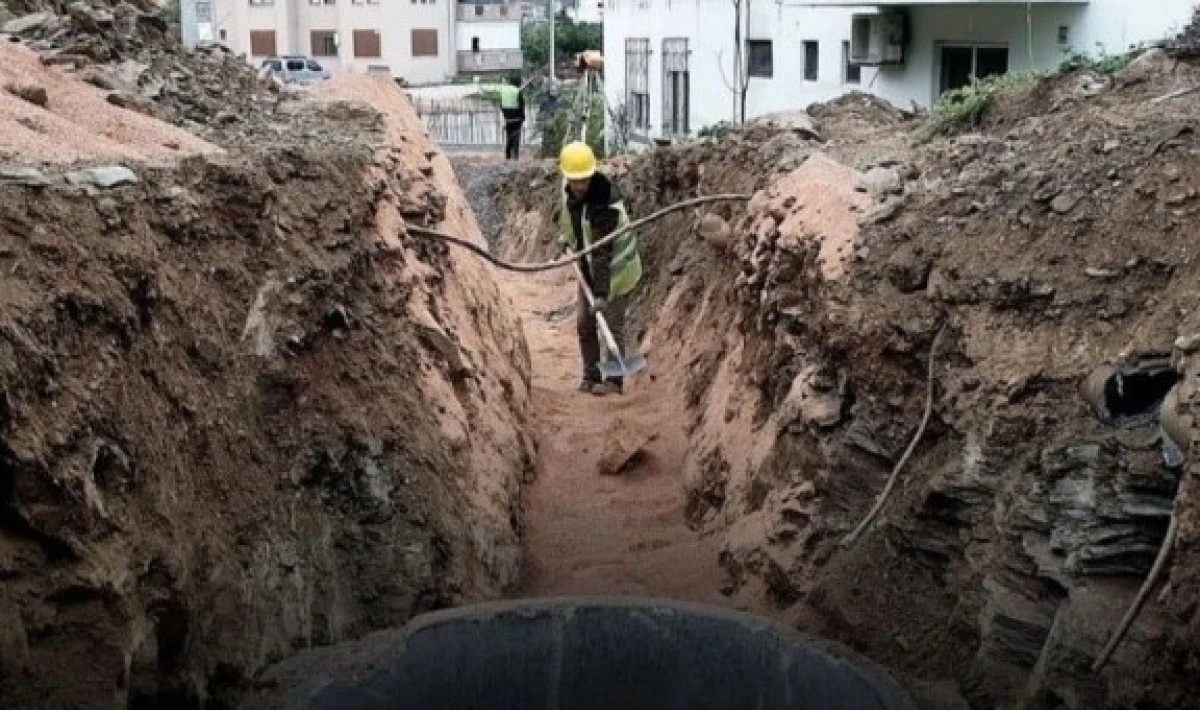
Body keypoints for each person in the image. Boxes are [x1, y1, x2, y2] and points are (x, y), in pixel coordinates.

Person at [557, 141, 643, 395]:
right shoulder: (571, 192)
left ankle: (614, 382)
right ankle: (591, 374)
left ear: (592, 174)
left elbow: (602, 252)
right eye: (574, 180)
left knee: (611, 324)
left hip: (619, 273)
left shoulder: (605, 201)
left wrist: (602, 295)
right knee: (585, 322)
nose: (579, 186)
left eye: (584, 180)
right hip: (589, 270)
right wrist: (566, 240)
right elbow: (570, 221)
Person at [499, 75, 525, 161]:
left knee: (509, 136)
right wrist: (523, 117)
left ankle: (508, 156)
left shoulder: (504, 90)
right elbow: (522, 105)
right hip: (517, 117)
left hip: (507, 117)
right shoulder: (518, 91)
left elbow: (501, 104)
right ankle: (515, 156)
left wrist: (505, 114)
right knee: (516, 137)